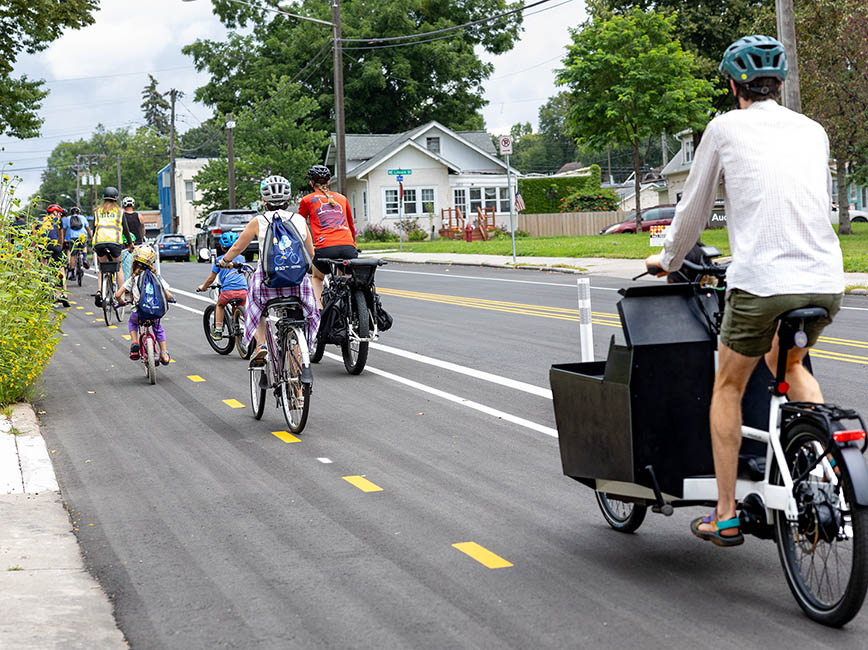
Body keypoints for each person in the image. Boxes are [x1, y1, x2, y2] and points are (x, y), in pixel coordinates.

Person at [644, 35, 845, 547]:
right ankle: (823, 485)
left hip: (761, 285)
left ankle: (727, 512)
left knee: (728, 385)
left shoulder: (724, 129)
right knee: (793, 364)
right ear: (779, 84)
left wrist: (666, 260)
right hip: (824, 279)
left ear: (735, 85)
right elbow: (811, 204)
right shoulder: (814, 130)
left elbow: (691, 211)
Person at [218, 175, 318, 363]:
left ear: (264, 200)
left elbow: (238, 247)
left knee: (254, 307)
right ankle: (300, 358)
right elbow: (311, 254)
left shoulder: (259, 221)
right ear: (288, 199)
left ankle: (262, 344)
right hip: (297, 283)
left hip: (267, 282)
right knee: (306, 311)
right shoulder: (299, 220)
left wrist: (224, 261)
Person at [298, 164, 357, 308]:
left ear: (311, 183)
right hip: (348, 247)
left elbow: (298, 224)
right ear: (329, 181)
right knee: (345, 278)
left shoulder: (307, 200)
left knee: (318, 278)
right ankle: (348, 309)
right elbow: (351, 226)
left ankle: (320, 312)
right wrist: (352, 245)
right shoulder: (342, 199)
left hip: (325, 248)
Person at [115, 244, 173, 365]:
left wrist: (121, 302)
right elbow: (168, 295)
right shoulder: (157, 277)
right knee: (158, 329)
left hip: (139, 312)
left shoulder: (133, 278)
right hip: (155, 312)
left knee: (132, 322)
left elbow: (118, 294)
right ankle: (163, 353)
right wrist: (172, 299)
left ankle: (135, 342)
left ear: (135, 261)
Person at [197, 231, 248, 341]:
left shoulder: (220, 260)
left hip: (228, 291)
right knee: (244, 308)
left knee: (220, 305)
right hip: (243, 291)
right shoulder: (242, 258)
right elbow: (244, 272)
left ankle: (218, 330)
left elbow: (211, 278)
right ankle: (246, 328)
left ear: (222, 246)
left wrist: (204, 287)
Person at [92, 186, 131, 306]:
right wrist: (130, 244)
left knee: (102, 267)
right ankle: (121, 297)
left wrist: (93, 244)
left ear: (104, 198)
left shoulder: (97, 211)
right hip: (115, 243)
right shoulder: (119, 211)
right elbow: (125, 230)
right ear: (116, 199)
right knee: (118, 268)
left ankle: (99, 291)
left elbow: (94, 229)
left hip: (99, 243)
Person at [42, 204, 68, 306]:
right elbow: (61, 235)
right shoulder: (58, 220)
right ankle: (63, 295)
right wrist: (60, 247)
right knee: (60, 267)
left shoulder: (40, 220)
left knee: (44, 265)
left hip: (44, 245)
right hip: (55, 245)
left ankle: (44, 291)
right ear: (55, 213)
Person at [65, 206, 90, 277]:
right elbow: (87, 228)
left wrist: (64, 238)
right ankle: (84, 259)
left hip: (73, 238)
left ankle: (72, 275)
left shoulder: (68, 218)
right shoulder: (83, 217)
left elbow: (64, 229)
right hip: (82, 237)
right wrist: (90, 237)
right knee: (84, 246)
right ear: (79, 212)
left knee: (72, 255)